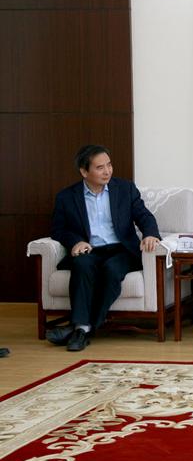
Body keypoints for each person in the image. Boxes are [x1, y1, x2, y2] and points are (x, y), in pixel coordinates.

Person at [46, 144, 161, 352]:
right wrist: (75, 242)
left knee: (111, 270)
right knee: (81, 265)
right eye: (100, 167)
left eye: (109, 165)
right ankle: (82, 329)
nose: (107, 171)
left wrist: (150, 234)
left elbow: (144, 216)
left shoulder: (125, 189)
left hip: (122, 250)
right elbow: (58, 229)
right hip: (90, 249)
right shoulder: (67, 197)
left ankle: (80, 328)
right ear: (84, 171)